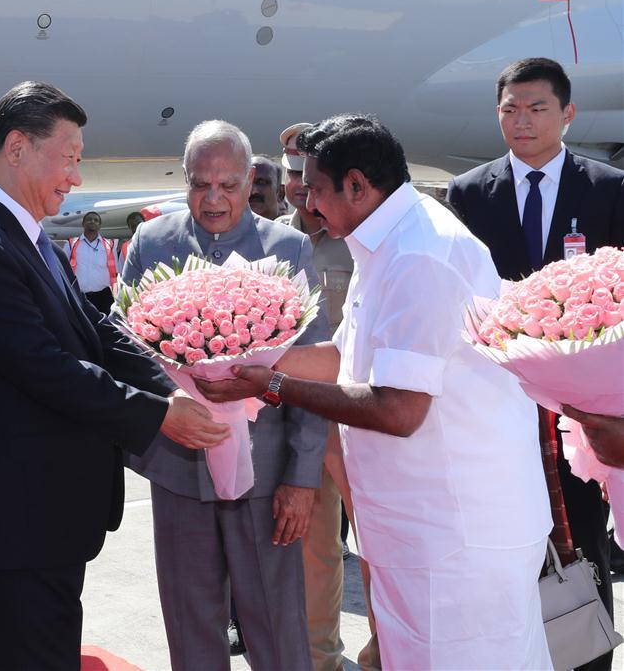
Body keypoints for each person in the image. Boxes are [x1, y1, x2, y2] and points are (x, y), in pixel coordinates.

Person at [196, 114, 553, 669]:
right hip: (418, 530)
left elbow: (399, 408)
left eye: (316, 189)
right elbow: (346, 358)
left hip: (456, 537)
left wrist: (274, 385)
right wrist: (243, 357)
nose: (308, 204)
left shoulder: (419, 253)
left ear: (358, 185)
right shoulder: (385, 239)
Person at [0, 81, 228, 670]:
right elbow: (48, 369)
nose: (76, 178)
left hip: (41, 525)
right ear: (17, 149)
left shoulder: (25, 234)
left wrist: (168, 385)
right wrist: (160, 416)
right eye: (68, 158)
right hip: (11, 528)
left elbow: (97, 329)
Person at [121, 120, 329, 671]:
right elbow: (126, 346)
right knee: (190, 625)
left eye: (228, 185)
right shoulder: (152, 243)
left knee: (278, 627)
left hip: (266, 476)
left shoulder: (288, 248)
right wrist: (168, 406)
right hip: (178, 469)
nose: (213, 198)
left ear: (250, 180)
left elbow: (314, 373)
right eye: (199, 183)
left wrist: (303, 478)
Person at [447, 58, 624, 671]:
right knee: (504, 548)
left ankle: (586, 658)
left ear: (567, 114)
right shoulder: (469, 193)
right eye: (509, 109)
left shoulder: (607, 189)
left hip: (580, 419)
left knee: (582, 545)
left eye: (536, 108)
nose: (521, 121)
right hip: (497, 408)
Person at [278, 122, 359, 671]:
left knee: (378, 545)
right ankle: (318, 659)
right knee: (313, 550)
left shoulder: (358, 239)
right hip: (295, 416)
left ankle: (386, 651)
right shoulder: (269, 242)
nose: (301, 187)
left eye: (309, 175)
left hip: (358, 415)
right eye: (291, 175)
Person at [63, 211, 118, 314]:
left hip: (104, 296)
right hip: (80, 295)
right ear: (83, 223)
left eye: (96, 220)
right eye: (89, 219)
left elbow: (115, 271)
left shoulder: (109, 245)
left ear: (99, 225)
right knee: (83, 328)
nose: (92, 221)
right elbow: (63, 269)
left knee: (107, 327)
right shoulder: (71, 244)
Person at [248, 154, 284, 219]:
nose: (253, 191)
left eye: (262, 183)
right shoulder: (226, 228)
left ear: (280, 193)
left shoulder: (291, 228)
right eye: (248, 182)